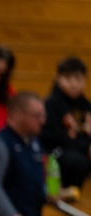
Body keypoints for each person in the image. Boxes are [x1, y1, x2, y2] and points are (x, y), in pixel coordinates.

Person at [41, 56, 91, 201]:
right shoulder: (51, 104)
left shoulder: (86, 106)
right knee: (76, 162)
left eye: (78, 79)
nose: (74, 84)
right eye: (68, 79)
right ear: (58, 78)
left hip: (80, 151)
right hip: (54, 151)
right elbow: (53, 137)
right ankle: (67, 197)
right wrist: (86, 147)